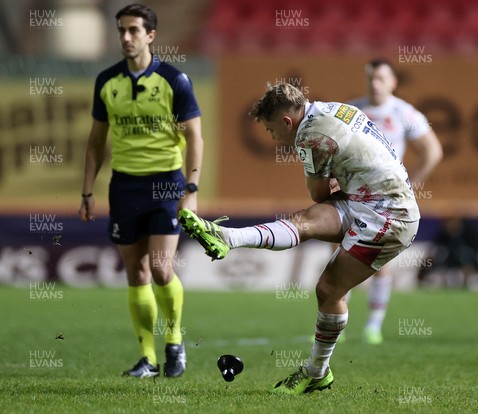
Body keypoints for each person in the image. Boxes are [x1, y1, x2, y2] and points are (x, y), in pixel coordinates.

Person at [178, 83, 420, 394]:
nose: (274, 138)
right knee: (302, 222)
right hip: (368, 199)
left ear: (286, 122)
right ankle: (228, 237)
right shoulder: (333, 108)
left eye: (271, 130)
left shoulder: (310, 136)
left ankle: (316, 372)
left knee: (328, 289)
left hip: (389, 217)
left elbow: (319, 194)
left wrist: (329, 179)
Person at [78, 3, 204, 378]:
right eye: (121, 30)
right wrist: (87, 191)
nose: (126, 37)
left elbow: (195, 136)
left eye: (134, 30)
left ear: (151, 35)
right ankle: (147, 359)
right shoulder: (107, 81)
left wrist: (192, 188)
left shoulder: (174, 80)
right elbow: (96, 140)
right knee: (136, 274)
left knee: (162, 269)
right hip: (125, 186)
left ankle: (175, 343)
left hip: (166, 183)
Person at [345, 58, 443, 345]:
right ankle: (336, 323)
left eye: (380, 78)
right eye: (370, 78)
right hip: (352, 195)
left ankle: (373, 327)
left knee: (379, 262)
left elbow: (433, 152)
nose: (374, 83)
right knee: (340, 255)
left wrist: (411, 186)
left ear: (393, 82)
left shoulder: (404, 112)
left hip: (386, 199)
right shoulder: (353, 111)